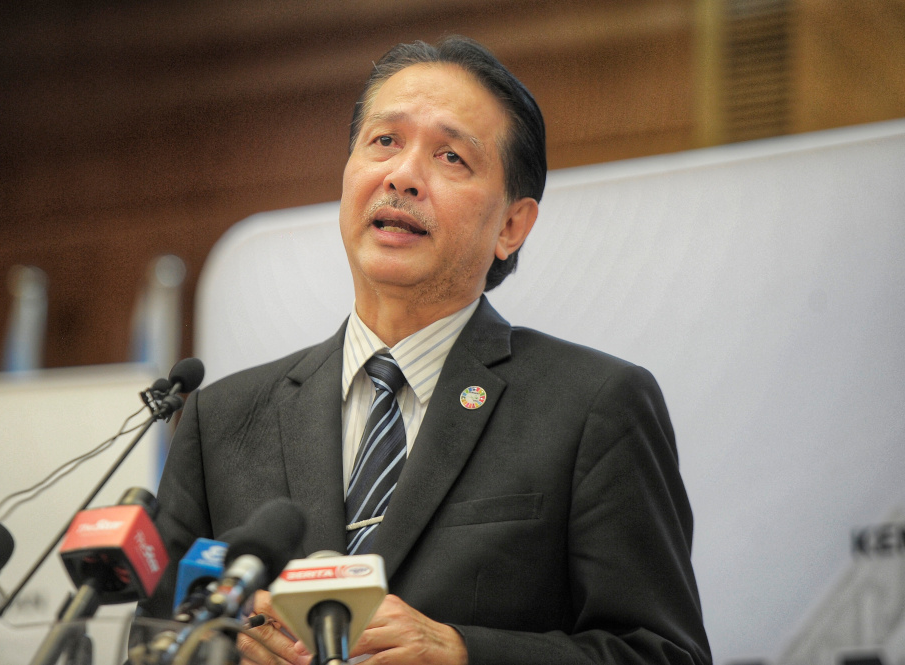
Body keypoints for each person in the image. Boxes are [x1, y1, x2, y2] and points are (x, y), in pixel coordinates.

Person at [141, 36, 712, 665]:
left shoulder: (594, 407)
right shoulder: (221, 421)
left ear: (511, 226)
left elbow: (663, 654)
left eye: (450, 157)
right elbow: (155, 645)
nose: (402, 176)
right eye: (384, 141)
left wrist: (463, 654)